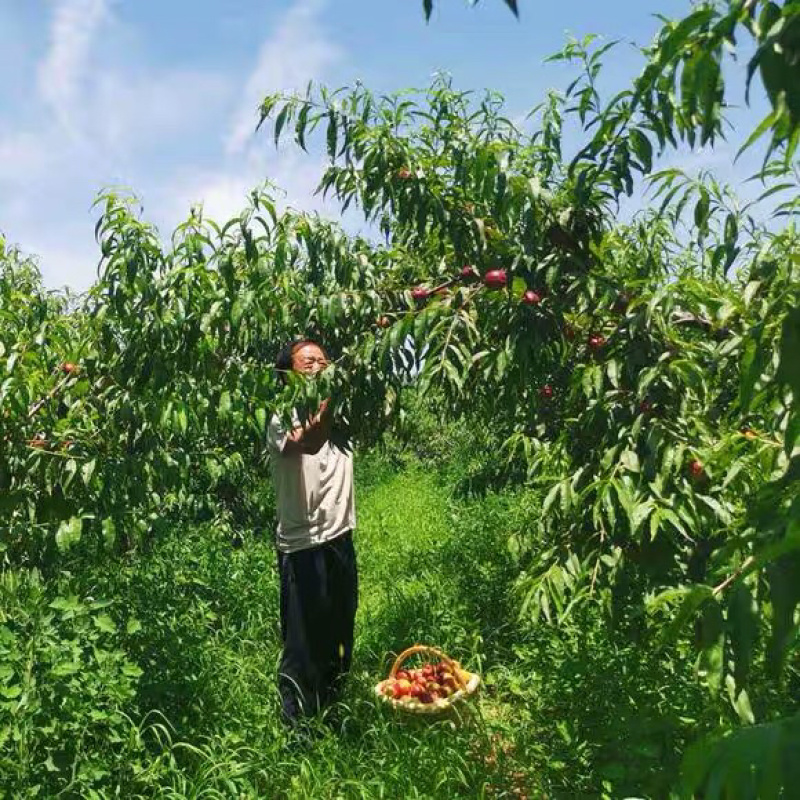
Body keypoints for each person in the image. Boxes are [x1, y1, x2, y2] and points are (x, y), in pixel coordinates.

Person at [267, 339, 358, 729]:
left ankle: (333, 710)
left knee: (340, 632)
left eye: (324, 360)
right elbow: (309, 440)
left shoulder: (346, 415)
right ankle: (296, 729)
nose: (320, 365)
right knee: (302, 647)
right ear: (289, 372)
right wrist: (331, 398)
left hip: (340, 539)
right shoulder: (279, 416)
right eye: (309, 361)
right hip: (302, 546)